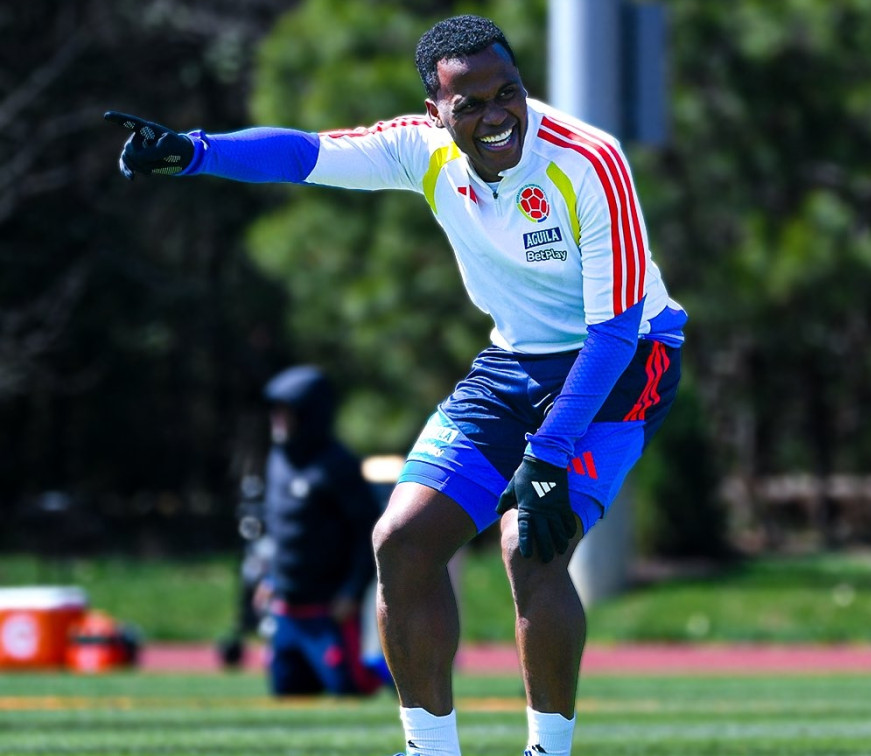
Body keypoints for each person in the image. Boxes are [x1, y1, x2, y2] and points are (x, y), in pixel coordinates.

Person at [106, 13, 686, 754]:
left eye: (507, 92)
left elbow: (613, 332)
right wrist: (194, 152)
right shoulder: (421, 151)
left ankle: (547, 751)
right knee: (401, 541)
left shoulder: (588, 160)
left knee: (528, 544)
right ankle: (429, 749)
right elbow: (303, 155)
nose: (497, 115)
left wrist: (547, 453)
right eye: (469, 104)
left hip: (625, 362)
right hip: (513, 362)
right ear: (434, 114)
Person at [253, 364, 385, 696]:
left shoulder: (338, 465)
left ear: (309, 414)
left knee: (350, 689)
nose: (277, 420)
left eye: (286, 411)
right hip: (286, 609)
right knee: (287, 693)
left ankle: (392, 667)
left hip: (329, 611)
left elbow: (368, 535)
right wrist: (268, 578)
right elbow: (277, 529)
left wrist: (352, 592)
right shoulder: (277, 459)